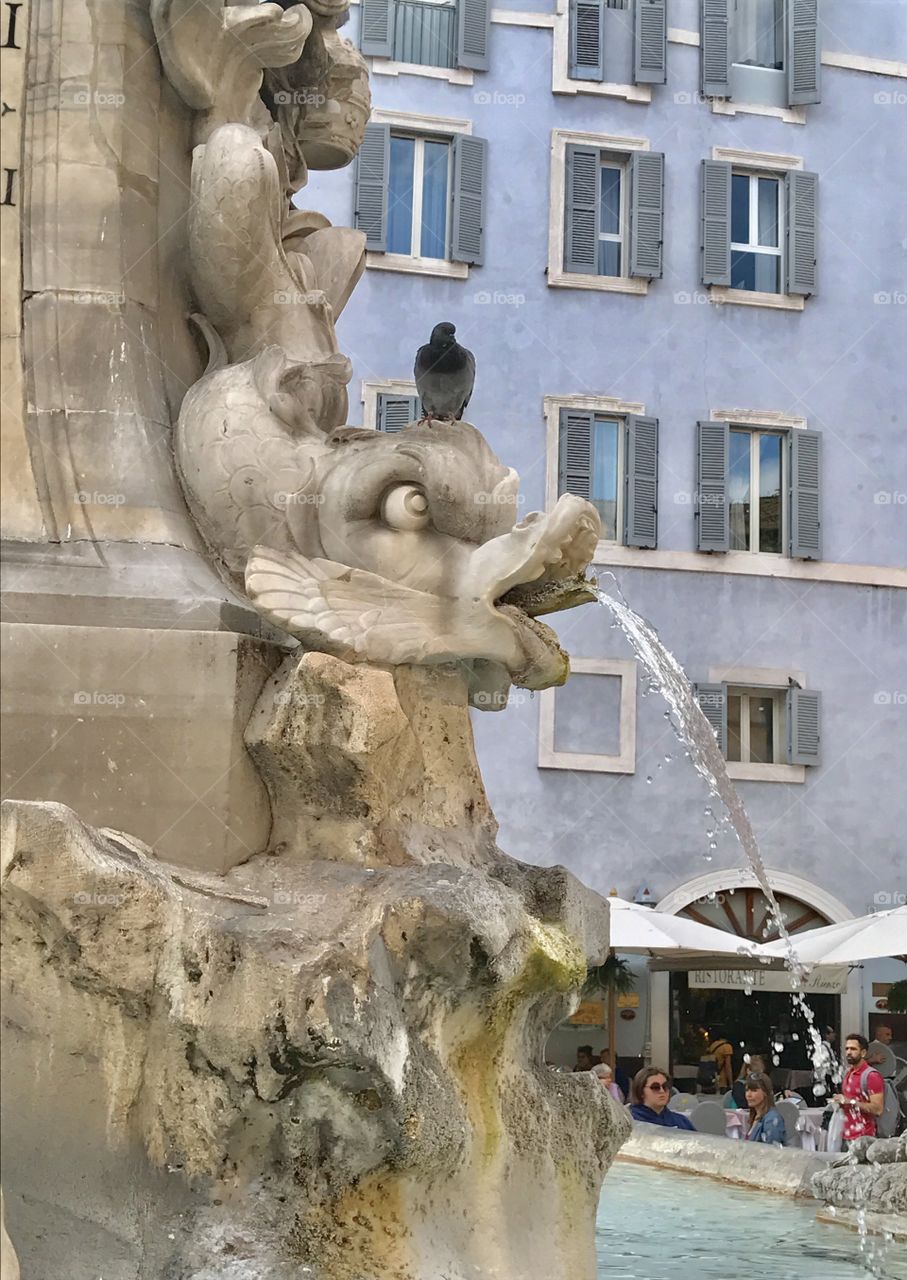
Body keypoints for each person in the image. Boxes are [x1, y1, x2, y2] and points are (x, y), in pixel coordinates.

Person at [833, 1034, 885, 1145]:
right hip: (845, 1136)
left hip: (864, 1138)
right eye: (847, 1048)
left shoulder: (872, 1076)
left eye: (853, 1049)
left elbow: (878, 1109)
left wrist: (850, 1102)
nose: (848, 1052)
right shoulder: (848, 1073)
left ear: (863, 1053)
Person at [629, 1068, 695, 1130]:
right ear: (640, 1091)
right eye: (655, 1087)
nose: (662, 1091)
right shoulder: (629, 1121)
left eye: (665, 1086)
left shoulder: (681, 1121)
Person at [743, 1071, 786, 1146]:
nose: (748, 1095)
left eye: (754, 1090)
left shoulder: (772, 1119)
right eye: (747, 1090)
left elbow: (773, 1151)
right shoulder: (756, 1116)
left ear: (765, 1092)